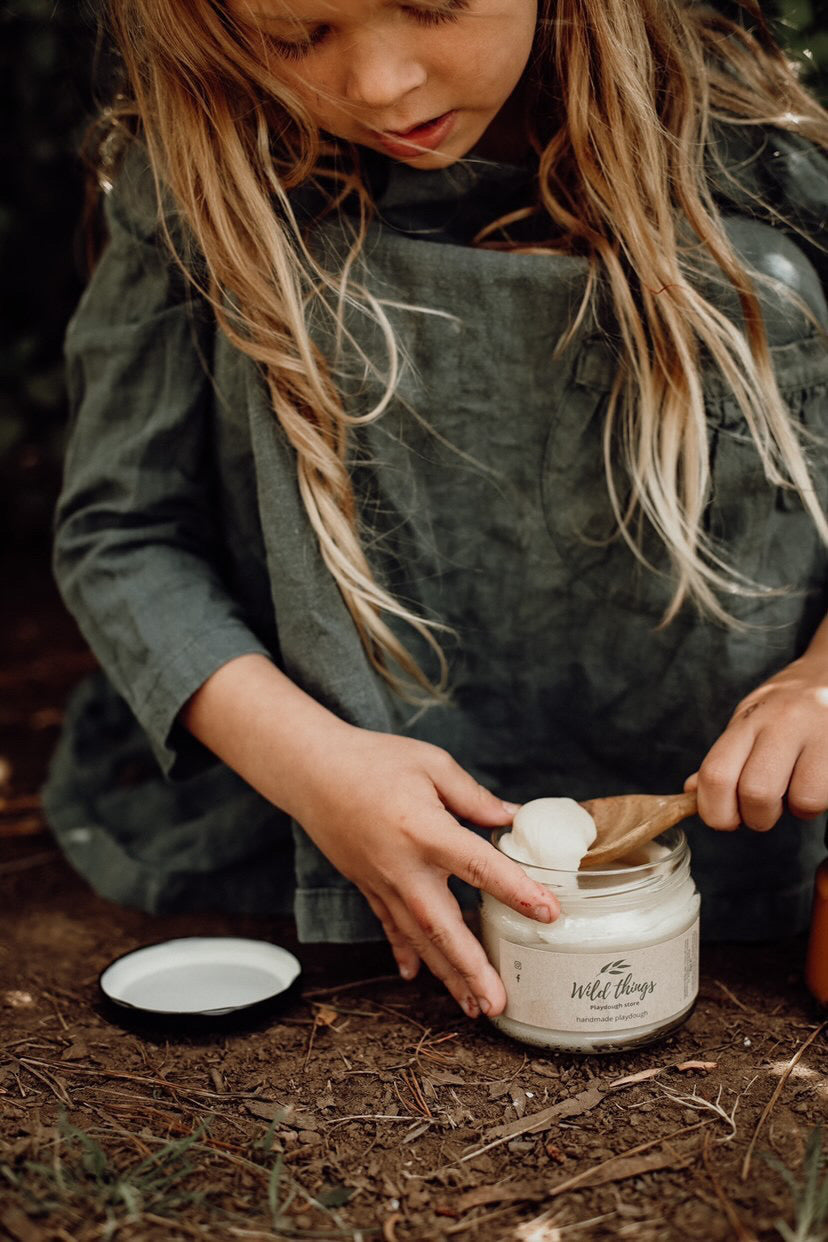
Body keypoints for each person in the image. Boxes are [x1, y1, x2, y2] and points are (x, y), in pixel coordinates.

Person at [44, 0, 828, 1021]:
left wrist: (819, 681)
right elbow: (122, 536)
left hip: (740, 840)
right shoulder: (198, 174)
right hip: (299, 805)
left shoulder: (764, 159)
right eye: (296, 36)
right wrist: (317, 770)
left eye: (433, 5)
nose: (379, 85)